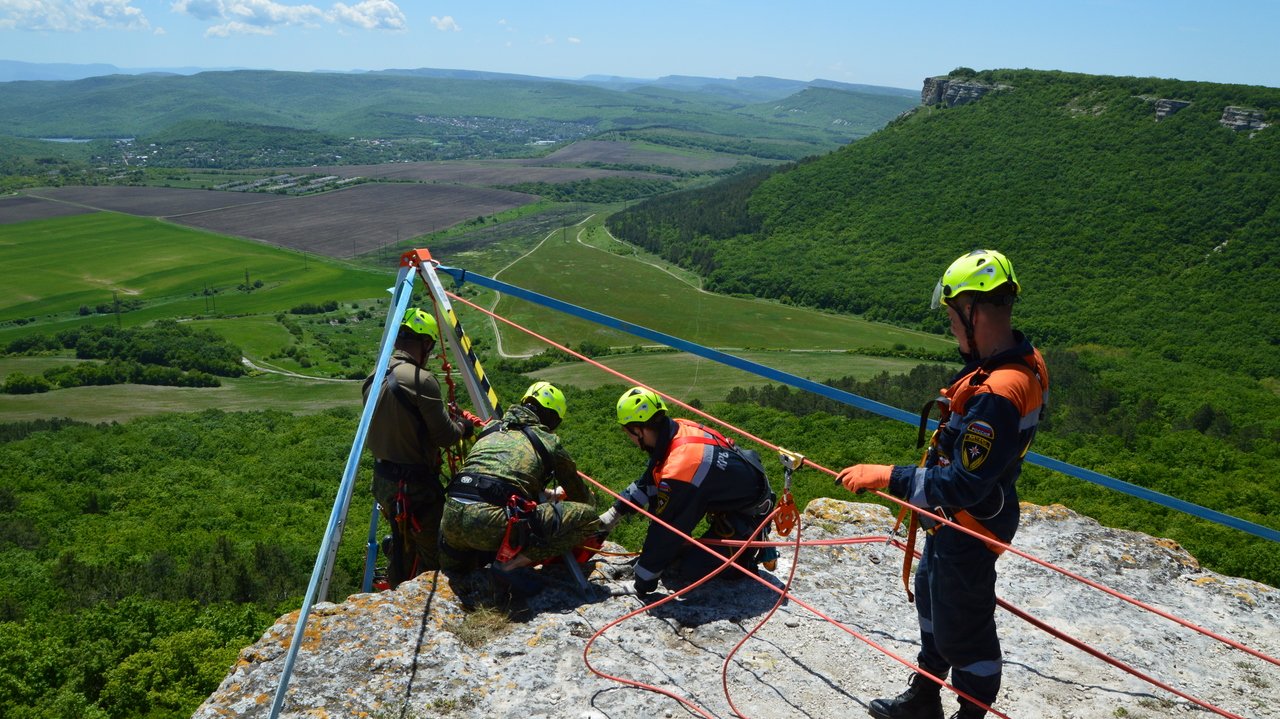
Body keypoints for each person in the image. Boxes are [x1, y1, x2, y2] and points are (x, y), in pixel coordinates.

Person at [837, 249, 1049, 719]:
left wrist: (886, 476)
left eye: (953, 316)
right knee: (933, 598)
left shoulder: (998, 394)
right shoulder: (1018, 361)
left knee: (964, 629)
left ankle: (970, 712)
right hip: (953, 519)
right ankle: (925, 695)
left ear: (972, 311)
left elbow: (962, 484)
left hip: (971, 521)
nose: (950, 327)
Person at [601, 386, 774, 596]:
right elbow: (649, 480)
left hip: (747, 516)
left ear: (638, 430)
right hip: (739, 494)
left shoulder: (681, 466)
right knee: (674, 551)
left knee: (686, 569)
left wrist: (641, 583)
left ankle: (742, 559)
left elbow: (666, 530)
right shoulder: (677, 428)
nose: (629, 438)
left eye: (627, 432)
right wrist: (614, 514)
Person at [439, 381, 599, 601]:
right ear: (552, 418)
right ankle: (511, 565)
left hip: (450, 522)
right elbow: (582, 498)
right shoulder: (548, 441)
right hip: (490, 524)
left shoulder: (490, 429)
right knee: (589, 519)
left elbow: (498, 474)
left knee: (458, 570)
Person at [362, 307, 478, 589]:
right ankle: (421, 600)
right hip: (415, 488)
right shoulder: (420, 380)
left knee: (404, 542)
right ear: (425, 343)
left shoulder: (375, 374)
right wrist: (464, 426)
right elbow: (445, 437)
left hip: (384, 482)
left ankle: (396, 584)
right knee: (436, 552)